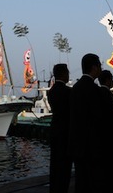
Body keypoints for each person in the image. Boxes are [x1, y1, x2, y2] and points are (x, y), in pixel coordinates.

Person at [68, 53, 104, 193]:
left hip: (77, 145)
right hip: (92, 145)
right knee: (93, 182)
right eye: (100, 65)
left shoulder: (75, 88)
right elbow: (98, 118)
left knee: (81, 181)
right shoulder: (94, 90)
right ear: (94, 67)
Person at [47, 63, 72, 193]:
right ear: (63, 74)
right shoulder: (68, 92)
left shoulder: (51, 92)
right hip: (66, 131)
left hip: (55, 129)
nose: (69, 75)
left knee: (55, 163)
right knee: (65, 165)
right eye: (67, 72)